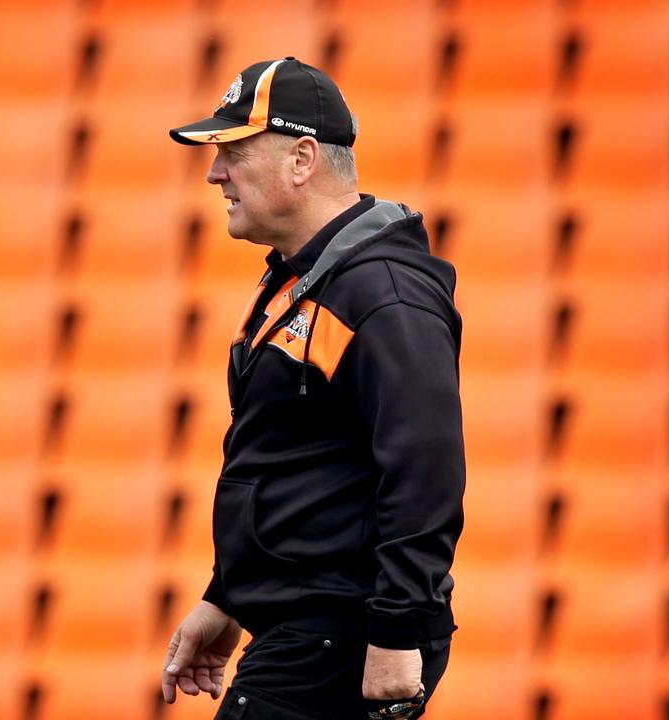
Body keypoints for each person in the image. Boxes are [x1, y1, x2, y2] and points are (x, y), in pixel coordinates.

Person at [161, 57, 465, 719]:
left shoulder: (380, 294)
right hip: (311, 627)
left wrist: (395, 630)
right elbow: (291, 462)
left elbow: (426, 471)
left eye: (233, 152)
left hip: (341, 634)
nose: (215, 174)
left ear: (303, 159)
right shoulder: (306, 281)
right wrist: (230, 596)